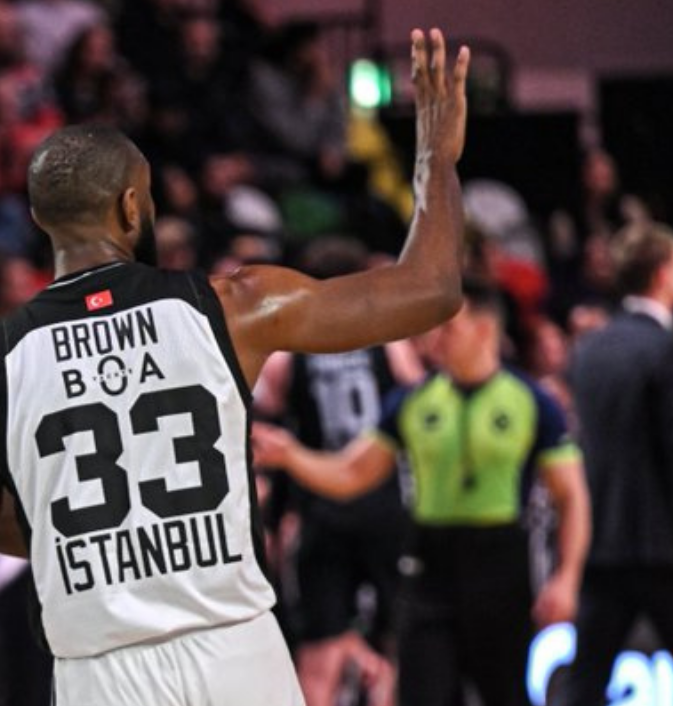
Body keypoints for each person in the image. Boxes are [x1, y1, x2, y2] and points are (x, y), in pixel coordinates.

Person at [0, 29, 470, 706]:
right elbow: (432, 290)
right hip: (238, 654)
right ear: (132, 206)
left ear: (40, 218)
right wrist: (436, 160)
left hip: (101, 673)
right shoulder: (232, 308)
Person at [254, 279, 592, 706]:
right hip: (428, 563)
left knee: (506, 695)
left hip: (500, 562)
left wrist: (567, 577)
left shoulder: (532, 401)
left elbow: (571, 497)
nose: (434, 340)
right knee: (422, 692)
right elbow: (351, 474)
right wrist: (291, 455)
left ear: (485, 329)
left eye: (449, 328)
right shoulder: (412, 401)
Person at [253, 238, 424, 706]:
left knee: (319, 654)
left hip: (320, 508)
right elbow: (420, 405)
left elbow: (265, 427)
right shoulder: (389, 343)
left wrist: (275, 516)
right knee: (397, 646)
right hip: (385, 506)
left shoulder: (289, 353)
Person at [561, 223, 673, 706]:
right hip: (663, 545)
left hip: (601, 540)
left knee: (585, 682)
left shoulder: (589, 349)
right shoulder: (664, 349)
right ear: (663, 273)